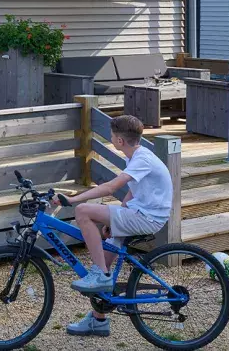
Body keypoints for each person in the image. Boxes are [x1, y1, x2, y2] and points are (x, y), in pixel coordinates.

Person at [55, 115, 172, 338]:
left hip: (147, 218)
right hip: (140, 213)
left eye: (111, 136)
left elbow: (110, 187)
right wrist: (115, 217)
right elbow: (132, 190)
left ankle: (101, 274)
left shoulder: (141, 159)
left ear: (119, 141)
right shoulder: (136, 157)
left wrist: (73, 200)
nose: (110, 139)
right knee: (106, 253)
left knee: (82, 211)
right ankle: (98, 321)